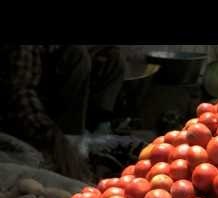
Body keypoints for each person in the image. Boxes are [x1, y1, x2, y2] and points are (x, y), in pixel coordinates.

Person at [0, 45, 126, 181]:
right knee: (77, 54)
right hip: (19, 122)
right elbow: (19, 97)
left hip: (69, 121)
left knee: (112, 58)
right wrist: (57, 139)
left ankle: (86, 142)